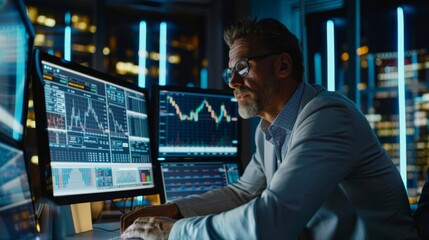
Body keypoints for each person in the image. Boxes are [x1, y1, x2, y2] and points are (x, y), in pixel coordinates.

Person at [120, 17, 418, 239]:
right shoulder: (270, 127)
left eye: (243, 68)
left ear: (283, 66)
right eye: (230, 72)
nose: (233, 83)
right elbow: (242, 193)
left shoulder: (328, 116)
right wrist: (172, 210)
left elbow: (272, 220)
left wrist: (173, 232)